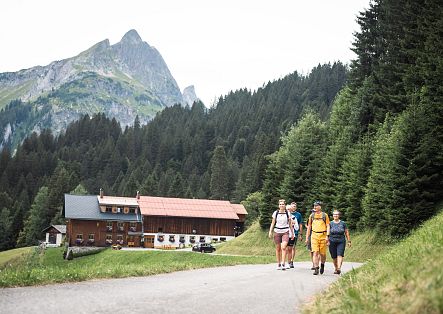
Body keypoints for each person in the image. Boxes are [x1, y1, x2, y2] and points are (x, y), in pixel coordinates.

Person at [305, 201, 330, 275]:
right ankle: (316, 268)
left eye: (316, 206)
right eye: (314, 206)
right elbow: (309, 227)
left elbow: (328, 226)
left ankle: (322, 264)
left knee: (323, 254)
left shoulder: (325, 215)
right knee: (315, 252)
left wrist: (327, 236)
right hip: (314, 235)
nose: (315, 207)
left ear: (320, 207)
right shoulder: (312, 216)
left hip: (323, 235)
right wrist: (307, 238)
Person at [268, 199, 294, 270]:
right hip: (277, 231)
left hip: (285, 231)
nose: (281, 205)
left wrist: (292, 233)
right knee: (278, 248)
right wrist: (270, 231)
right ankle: (278, 264)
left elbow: (290, 223)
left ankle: (283, 263)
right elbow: (273, 223)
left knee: (283, 247)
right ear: (278, 205)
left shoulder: (287, 213)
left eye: (283, 204)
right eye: (280, 204)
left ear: (285, 205)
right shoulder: (275, 213)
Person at [328, 210, 351, 274]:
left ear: (339, 215)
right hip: (332, 241)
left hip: (341, 241)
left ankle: (339, 268)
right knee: (334, 256)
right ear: (332, 216)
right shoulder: (330, 223)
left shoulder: (343, 223)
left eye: (337, 214)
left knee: (340, 254)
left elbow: (346, 232)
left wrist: (349, 241)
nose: (335, 215)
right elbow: (327, 233)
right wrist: (327, 240)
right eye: (334, 214)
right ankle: (336, 268)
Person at [287, 202, 303, 268]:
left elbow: (300, 224)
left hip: (295, 233)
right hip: (286, 233)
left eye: (294, 206)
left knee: (292, 247)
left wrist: (300, 234)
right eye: (292, 206)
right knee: (286, 247)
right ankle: (285, 261)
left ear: (296, 207)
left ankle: (291, 261)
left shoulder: (298, 215)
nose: (293, 208)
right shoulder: (286, 214)